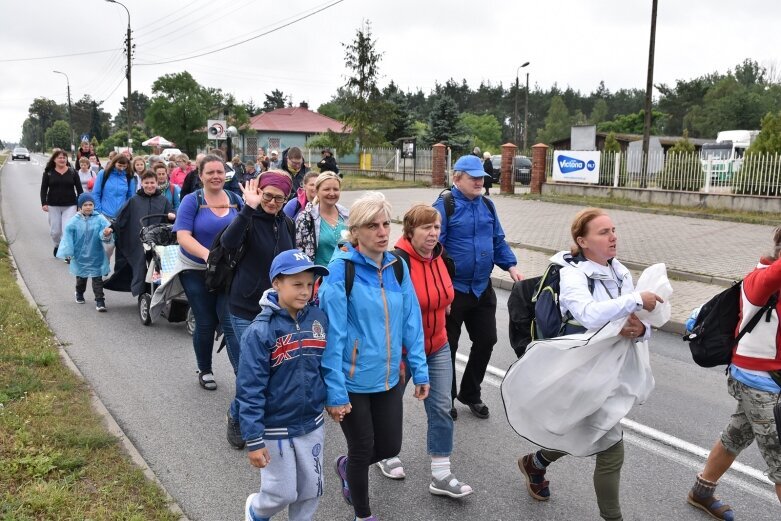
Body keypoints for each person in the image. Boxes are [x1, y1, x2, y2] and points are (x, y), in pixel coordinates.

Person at [518, 207, 662, 521]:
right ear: (583, 241)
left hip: (611, 371)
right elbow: (588, 313)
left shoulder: (620, 271)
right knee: (611, 450)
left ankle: (536, 462)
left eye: (613, 230)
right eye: (603, 232)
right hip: (580, 371)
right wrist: (636, 300)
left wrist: (642, 328)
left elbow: (630, 321)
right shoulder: (572, 273)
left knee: (586, 430)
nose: (613, 237)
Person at [319, 192, 430, 521]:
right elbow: (332, 337)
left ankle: (345, 467)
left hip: (389, 376)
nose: (383, 232)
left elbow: (412, 321)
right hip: (352, 380)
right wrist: (335, 391)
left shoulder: (397, 267)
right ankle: (363, 514)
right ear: (355, 232)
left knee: (390, 448)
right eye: (372, 225)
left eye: (386, 224)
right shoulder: (340, 272)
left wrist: (420, 371)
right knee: (363, 448)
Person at [375, 203, 473, 498]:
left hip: (438, 345)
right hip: (402, 349)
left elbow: (445, 300)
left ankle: (441, 474)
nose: (433, 234)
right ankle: (385, 453)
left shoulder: (442, 259)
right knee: (390, 405)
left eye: (437, 227)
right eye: (426, 228)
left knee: (442, 406)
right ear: (410, 230)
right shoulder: (394, 263)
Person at [686, 227, 781, 520]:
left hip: (770, 382)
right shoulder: (760, 282)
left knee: (736, 435)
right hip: (755, 382)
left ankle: (701, 492)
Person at [237, 249, 330, 521]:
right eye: (297, 284)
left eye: (310, 284)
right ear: (276, 283)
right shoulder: (260, 331)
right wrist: (254, 439)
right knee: (283, 492)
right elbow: (249, 389)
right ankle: (256, 510)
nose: (305, 291)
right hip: (275, 427)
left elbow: (324, 367)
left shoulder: (318, 319)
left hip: (311, 423)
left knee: (312, 488)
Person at [434, 154, 523, 420]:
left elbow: (497, 240)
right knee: (447, 347)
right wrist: (440, 289)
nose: (479, 182)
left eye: (481, 178)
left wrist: (511, 266)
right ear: (456, 178)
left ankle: (470, 393)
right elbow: (434, 249)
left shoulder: (488, 205)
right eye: (473, 178)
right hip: (453, 290)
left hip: (481, 287)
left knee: (486, 340)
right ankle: (445, 398)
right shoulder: (444, 206)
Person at [221, 171, 296, 449]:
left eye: (279, 198)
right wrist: (248, 208)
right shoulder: (247, 219)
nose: (273, 202)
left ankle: (251, 413)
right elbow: (228, 243)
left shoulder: (287, 223)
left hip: (276, 308)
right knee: (251, 370)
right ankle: (237, 418)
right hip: (244, 307)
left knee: (271, 368)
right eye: (268, 196)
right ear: (259, 193)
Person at [173, 154, 241, 391]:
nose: (215, 176)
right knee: (206, 321)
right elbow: (182, 236)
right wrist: (208, 255)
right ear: (200, 176)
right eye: (210, 172)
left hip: (226, 273)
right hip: (195, 269)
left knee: (230, 322)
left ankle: (242, 375)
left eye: (220, 172)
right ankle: (205, 368)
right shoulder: (192, 201)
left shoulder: (235, 199)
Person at [105, 170, 175, 297]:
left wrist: (173, 216)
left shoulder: (163, 200)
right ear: (142, 183)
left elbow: (171, 216)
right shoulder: (134, 200)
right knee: (140, 265)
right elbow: (122, 218)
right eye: (146, 183)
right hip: (138, 240)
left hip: (157, 241)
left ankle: (158, 291)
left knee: (158, 265)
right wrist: (112, 228)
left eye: (152, 182)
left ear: (157, 183)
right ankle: (142, 293)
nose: (149, 185)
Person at [56, 193, 112, 312]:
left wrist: (106, 233)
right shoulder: (74, 221)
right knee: (82, 278)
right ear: (80, 207)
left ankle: (100, 301)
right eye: (85, 205)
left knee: (97, 278)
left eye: (90, 204)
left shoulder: (99, 218)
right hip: (80, 255)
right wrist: (69, 252)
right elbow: (68, 237)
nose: (88, 207)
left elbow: (104, 232)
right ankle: (79, 293)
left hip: (96, 254)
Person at [295, 172, 349, 266]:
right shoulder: (306, 218)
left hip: (345, 275)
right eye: (326, 189)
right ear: (317, 191)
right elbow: (298, 252)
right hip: (318, 277)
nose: (332, 193)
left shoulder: (347, 216)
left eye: (335, 189)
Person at [40, 149, 83, 258]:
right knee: (55, 232)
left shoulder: (73, 172)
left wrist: (80, 204)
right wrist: (44, 203)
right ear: (54, 159)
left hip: (70, 205)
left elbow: (80, 190)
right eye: (59, 157)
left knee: (66, 229)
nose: (62, 159)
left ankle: (66, 252)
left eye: (64, 157)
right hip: (53, 205)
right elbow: (43, 189)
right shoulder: (48, 173)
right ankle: (57, 245)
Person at [93, 154, 136, 220]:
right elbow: (96, 193)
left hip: (122, 215)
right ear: (114, 163)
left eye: (124, 166)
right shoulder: (103, 174)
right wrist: (98, 211)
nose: (122, 168)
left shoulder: (129, 176)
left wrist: (127, 212)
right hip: (104, 214)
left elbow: (131, 196)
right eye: (119, 165)